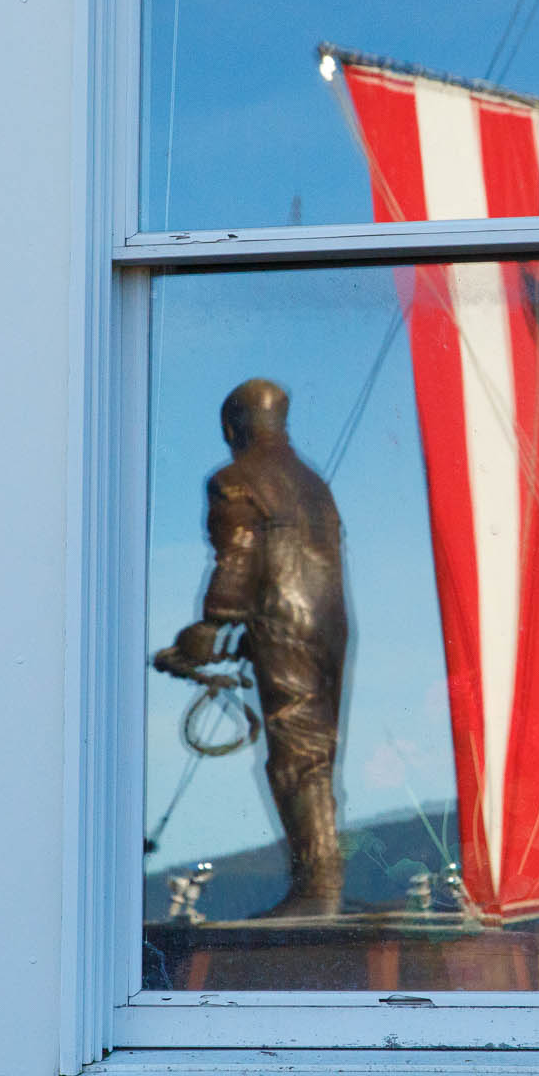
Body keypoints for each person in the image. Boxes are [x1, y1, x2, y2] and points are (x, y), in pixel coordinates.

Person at [155, 379, 350, 917]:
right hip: (329, 625)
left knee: (296, 754)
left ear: (230, 427)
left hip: (283, 627)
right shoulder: (314, 485)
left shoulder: (235, 480)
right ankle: (322, 882)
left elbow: (237, 559)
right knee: (315, 750)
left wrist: (211, 626)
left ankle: (318, 890)